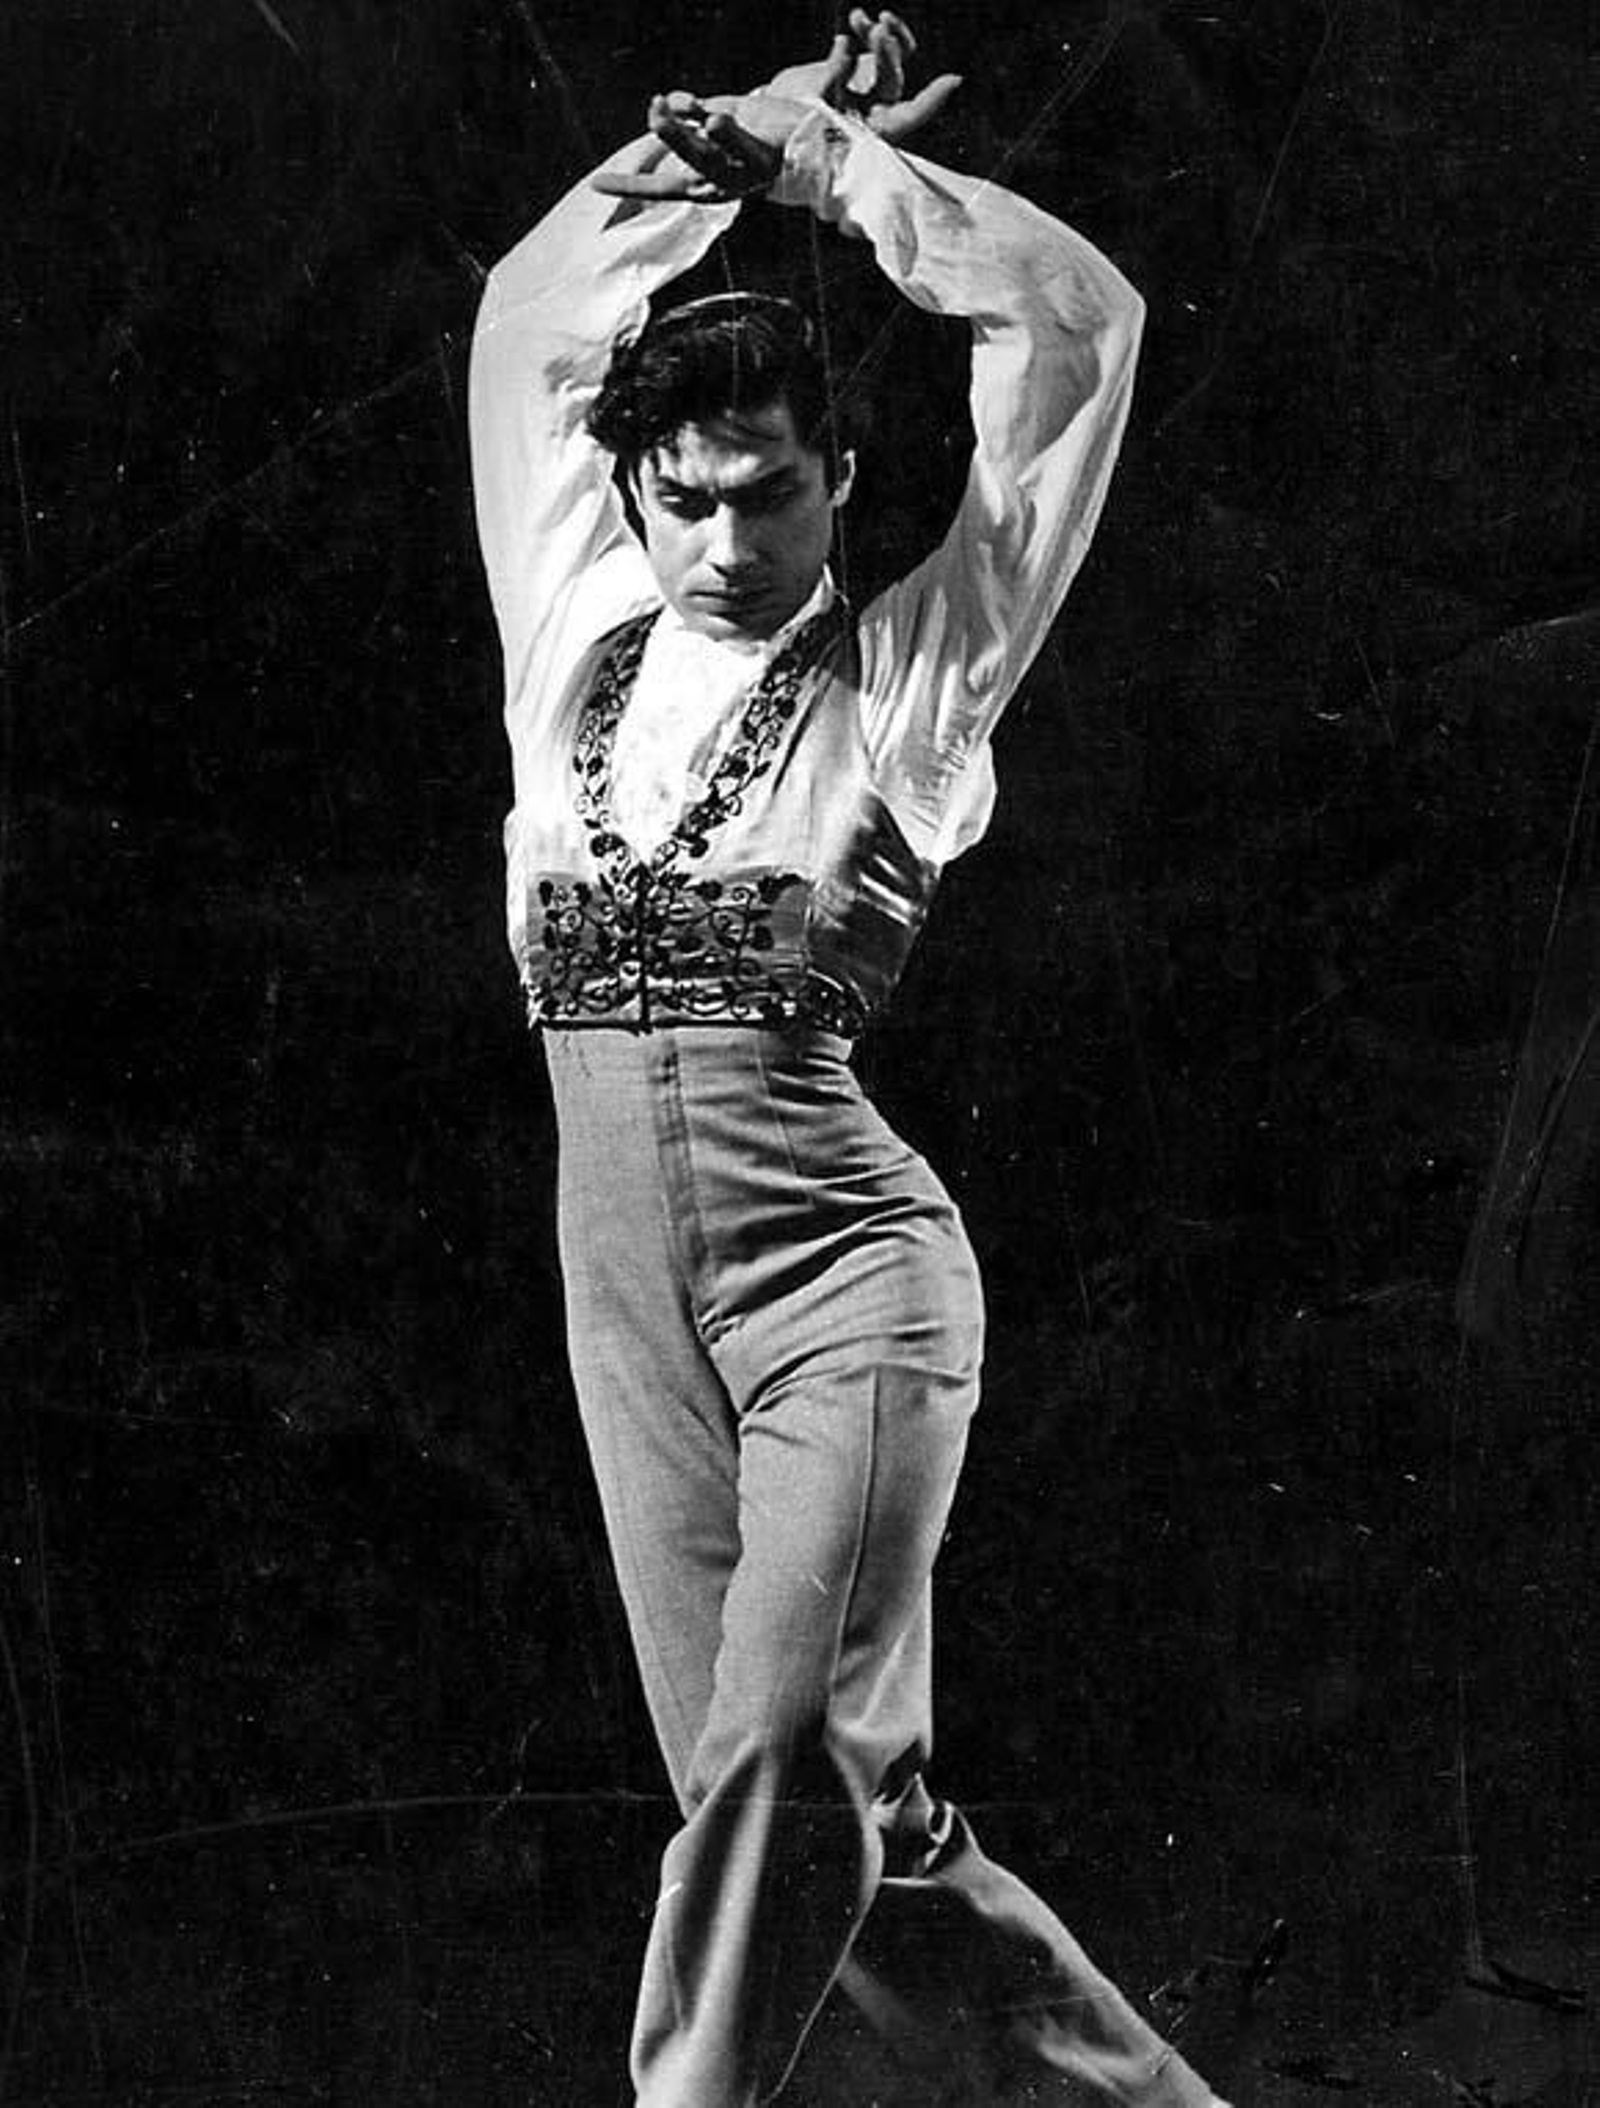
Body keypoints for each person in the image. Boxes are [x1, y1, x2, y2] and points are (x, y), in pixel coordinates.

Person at [469, 15, 1232, 2105]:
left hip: (847, 1283)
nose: (730, 542)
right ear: (632, 492)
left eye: (777, 493)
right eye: (688, 500)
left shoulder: (915, 679)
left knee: (782, 1764)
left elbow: (1076, 329)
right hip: (622, 1301)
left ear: (843, 482)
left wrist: (840, 182)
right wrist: (750, 129)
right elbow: (533, 315)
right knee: (843, 1837)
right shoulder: (569, 639)